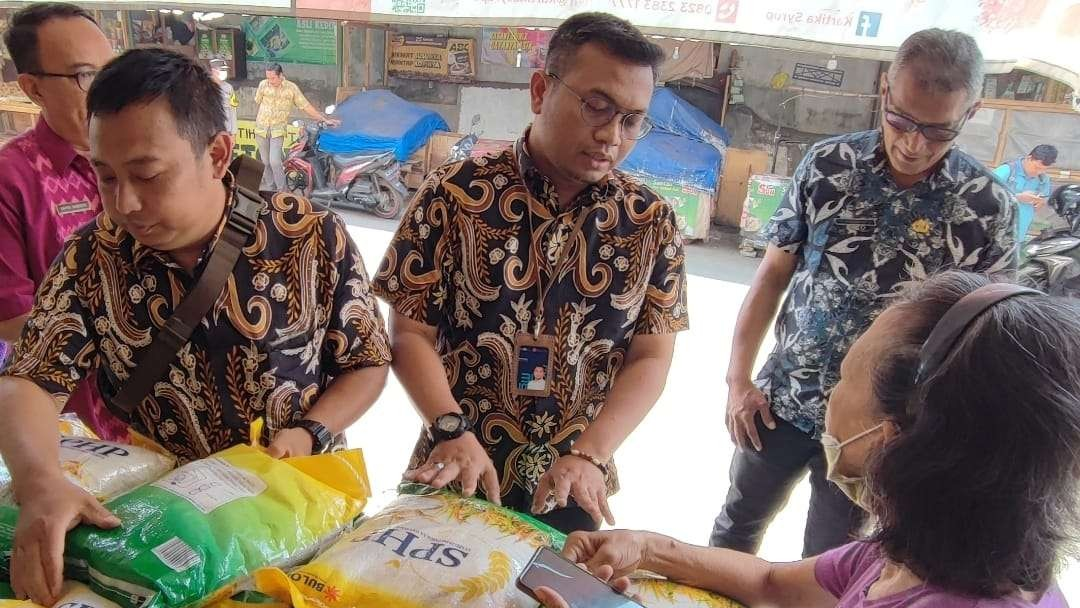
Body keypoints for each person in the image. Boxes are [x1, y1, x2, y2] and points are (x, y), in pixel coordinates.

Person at [0, 48, 391, 606]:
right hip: (163, 529)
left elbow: (366, 361)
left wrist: (312, 431)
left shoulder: (308, 237)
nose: (124, 203)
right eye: (105, 176)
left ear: (217, 154)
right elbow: (31, 379)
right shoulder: (93, 258)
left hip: (301, 504)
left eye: (147, 175)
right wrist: (39, 482)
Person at [538, 272, 1076, 608]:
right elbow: (772, 585)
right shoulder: (912, 554)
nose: (828, 400)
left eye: (842, 378)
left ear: (890, 442)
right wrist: (648, 545)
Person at [373, 12, 687, 534]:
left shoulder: (651, 222)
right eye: (597, 106)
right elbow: (409, 335)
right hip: (457, 462)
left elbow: (651, 357)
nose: (612, 135)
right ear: (541, 90)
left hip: (573, 481)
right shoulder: (454, 196)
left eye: (632, 119)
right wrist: (451, 427)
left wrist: (593, 453)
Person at [714, 28, 1018, 558]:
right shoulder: (828, 166)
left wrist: (928, 440)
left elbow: (981, 346)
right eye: (900, 119)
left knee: (833, 564)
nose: (912, 143)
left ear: (970, 115)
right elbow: (771, 277)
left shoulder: (987, 208)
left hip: (880, 433)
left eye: (937, 130)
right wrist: (739, 379)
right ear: (884, 91)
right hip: (782, 402)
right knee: (733, 532)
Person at [0, 2, 127, 441]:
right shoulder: (12, 180)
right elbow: (12, 318)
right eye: (86, 77)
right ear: (33, 88)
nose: (109, 94)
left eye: (113, 73)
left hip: (179, 412)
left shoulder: (149, 157)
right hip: (85, 430)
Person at [254, 63, 339, 197]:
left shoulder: (291, 88)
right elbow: (258, 101)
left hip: (277, 130)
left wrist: (324, 119)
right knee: (265, 161)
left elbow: (305, 106)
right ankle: (270, 190)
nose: (270, 81)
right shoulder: (263, 85)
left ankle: (283, 192)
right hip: (261, 129)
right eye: (268, 78)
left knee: (275, 161)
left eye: (273, 78)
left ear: (281, 76)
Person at [994, 144, 1058, 241]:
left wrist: (1040, 202)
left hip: (1018, 235)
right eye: (1036, 167)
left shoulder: (1043, 179)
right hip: (995, 230)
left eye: (1043, 169)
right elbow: (985, 193)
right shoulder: (1007, 170)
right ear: (1029, 158)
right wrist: (1017, 197)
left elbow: (1041, 202)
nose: (1038, 172)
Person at [209, 58, 238, 139]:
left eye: (225, 70)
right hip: (210, 133)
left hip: (226, 131)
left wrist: (234, 133)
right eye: (221, 70)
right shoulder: (204, 87)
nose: (224, 72)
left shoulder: (229, 88)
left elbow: (233, 110)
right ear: (213, 70)